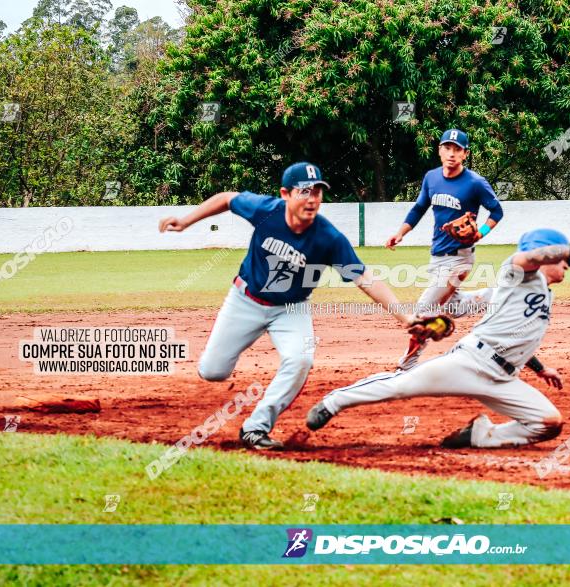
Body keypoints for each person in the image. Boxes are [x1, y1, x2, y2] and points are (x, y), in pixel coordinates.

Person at [159, 162, 415, 450]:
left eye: (318, 191)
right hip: (245, 300)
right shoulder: (266, 210)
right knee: (213, 371)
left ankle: (255, 428)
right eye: (304, 191)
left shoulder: (328, 238)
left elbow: (365, 278)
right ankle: (219, 371)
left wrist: (404, 316)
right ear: (285, 194)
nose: (312, 199)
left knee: (300, 359)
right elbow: (226, 198)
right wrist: (184, 221)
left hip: (291, 309)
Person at [305, 229, 570, 449]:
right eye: (564, 258)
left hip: (503, 378)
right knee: (402, 386)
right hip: (472, 362)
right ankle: (334, 401)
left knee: (549, 422)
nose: (567, 264)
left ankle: (480, 436)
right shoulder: (517, 273)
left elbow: (517, 336)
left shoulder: (544, 295)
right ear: (547, 254)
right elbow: (528, 256)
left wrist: (539, 369)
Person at [385, 128, 504, 370]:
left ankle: (408, 363)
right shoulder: (431, 178)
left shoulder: (475, 183)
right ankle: (497, 295)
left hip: (460, 258)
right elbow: (419, 208)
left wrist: (480, 232)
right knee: (453, 307)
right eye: (447, 148)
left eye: (457, 149)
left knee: (424, 309)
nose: (451, 153)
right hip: (437, 255)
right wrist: (400, 233)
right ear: (439, 150)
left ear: (465, 154)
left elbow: (497, 211)